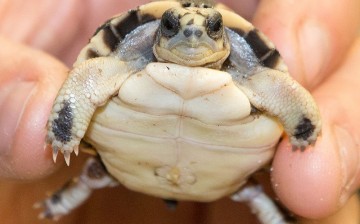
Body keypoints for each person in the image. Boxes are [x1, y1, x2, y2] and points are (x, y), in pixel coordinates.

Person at [0, 0, 359, 223]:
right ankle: (73, 191)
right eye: (172, 27)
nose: (192, 36)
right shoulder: (121, 63)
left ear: (222, 36)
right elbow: (89, 78)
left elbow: (281, 90)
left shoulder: (255, 76)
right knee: (89, 166)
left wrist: (304, 127)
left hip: (224, 172)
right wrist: (65, 128)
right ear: (159, 32)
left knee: (287, 186)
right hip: (125, 159)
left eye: (211, 29)